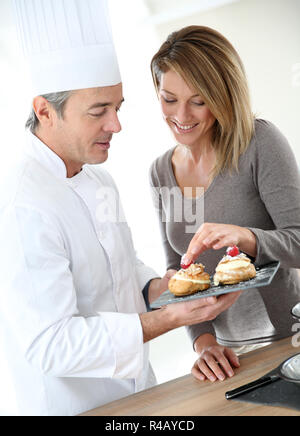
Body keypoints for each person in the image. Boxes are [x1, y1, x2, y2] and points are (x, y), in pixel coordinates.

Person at [0, 3, 240, 416]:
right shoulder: (22, 205)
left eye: (118, 107)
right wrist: (169, 319)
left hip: (139, 399)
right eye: (99, 112)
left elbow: (120, 268)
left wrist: (162, 290)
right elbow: (50, 344)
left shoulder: (97, 178)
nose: (116, 125)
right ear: (44, 111)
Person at [149, 25, 300, 384]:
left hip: (289, 340)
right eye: (169, 99)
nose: (181, 116)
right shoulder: (159, 172)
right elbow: (178, 273)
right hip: (227, 359)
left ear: (222, 95)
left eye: (198, 101)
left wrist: (248, 237)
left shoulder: (259, 143)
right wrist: (204, 345)